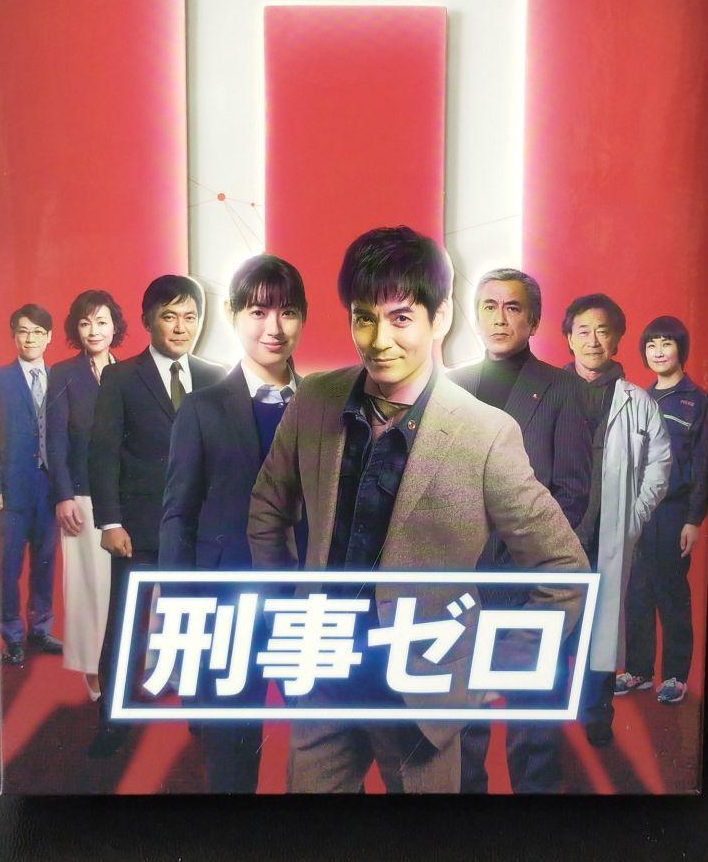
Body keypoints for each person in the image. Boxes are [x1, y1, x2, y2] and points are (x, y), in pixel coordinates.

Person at [248, 226, 589, 793]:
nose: (379, 339)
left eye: (401, 318)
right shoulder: (315, 399)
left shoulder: (485, 433)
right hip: (324, 677)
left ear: (441, 317)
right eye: (363, 318)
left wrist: (493, 668)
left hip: (422, 698)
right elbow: (267, 510)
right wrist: (287, 614)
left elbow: (564, 571)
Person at [158, 254, 307, 792]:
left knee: (328, 752)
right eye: (258, 312)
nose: (274, 328)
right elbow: (178, 516)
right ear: (232, 314)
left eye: (287, 312)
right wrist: (177, 618)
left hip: (307, 606)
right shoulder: (202, 409)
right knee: (230, 760)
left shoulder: (324, 407)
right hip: (226, 606)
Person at [451, 268, 591, 793]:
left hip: (532, 583)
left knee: (533, 724)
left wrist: (525, 557)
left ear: (533, 321)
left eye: (512, 307)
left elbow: (572, 491)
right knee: (461, 724)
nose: (499, 317)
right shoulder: (451, 386)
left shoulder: (563, 388)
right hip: (461, 583)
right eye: (489, 306)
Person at [87, 275, 226, 757]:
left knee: (199, 621)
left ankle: (201, 714)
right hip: (138, 529)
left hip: (201, 529)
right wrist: (110, 521)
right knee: (127, 625)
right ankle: (113, 722)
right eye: (170, 316)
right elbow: (103, 453)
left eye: (190, 316)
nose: (181, 327)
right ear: (149, 321)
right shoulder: (122, 378)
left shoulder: (216, 377)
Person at [562, 293, 671, 745]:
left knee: (601, 628)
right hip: (556, 533)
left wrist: (633, 517)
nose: (593, 340)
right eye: (583, 331)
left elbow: (660, 466)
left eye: (603, 331)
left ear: (618, 339)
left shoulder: (637, 401)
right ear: (569, 338)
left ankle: (596, 715)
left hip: (607, 533)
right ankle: (548, 716)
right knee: (554, 624)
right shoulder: (549, 393)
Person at [616, 316, 708, 706]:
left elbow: (702, 465)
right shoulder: (639, 399)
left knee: (671, 592)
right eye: (651, 344)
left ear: (680, 350)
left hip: (673, 513)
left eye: (666, 343)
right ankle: (639, 670)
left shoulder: (697, 401)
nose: (658, 351)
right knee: (636, 591)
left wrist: (693, 519)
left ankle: (674, 675)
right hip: (639, 511)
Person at [46, 290, 127, 702]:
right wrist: (62, 496)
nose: (94, 330)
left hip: (125, 497)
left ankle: (129, 666)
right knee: (86, 588)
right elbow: (54, 440)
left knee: (123, 588)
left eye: (101, 322)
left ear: (115, 326)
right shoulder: (63, 374)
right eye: (85, 323)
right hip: (80, 497)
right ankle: (92, 670)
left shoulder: (128, 372)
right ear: (75, 329)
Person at [0, 304, 62, 666]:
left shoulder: (58, 378)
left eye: (37, 332)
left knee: (45, 562)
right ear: (13, 336)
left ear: (49, 337)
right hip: (13, 489)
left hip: (50, 490)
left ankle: (40, 629)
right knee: (9, 566)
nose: (30, 338)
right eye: (23, 331)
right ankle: (12, 635)